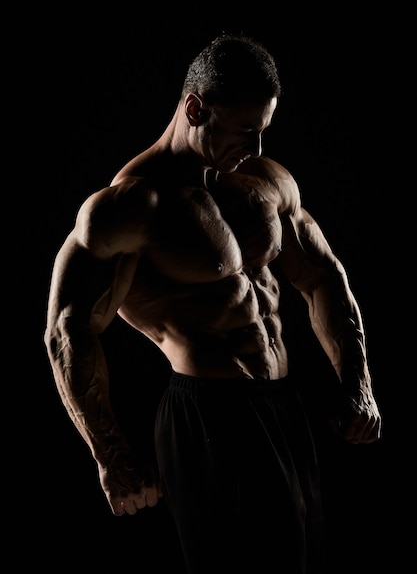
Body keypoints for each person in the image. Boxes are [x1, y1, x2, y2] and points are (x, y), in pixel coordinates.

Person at [44, 33, 381, 574]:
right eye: (245, 129)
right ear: (196, 108)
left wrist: (356, 382)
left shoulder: (266, 181)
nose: (258, 146)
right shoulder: (130, 205)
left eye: (264, 128)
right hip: (209, 416)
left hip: (284, 407)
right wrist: (110, 455)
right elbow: (67, 330)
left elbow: (322, 276)